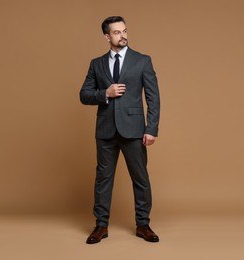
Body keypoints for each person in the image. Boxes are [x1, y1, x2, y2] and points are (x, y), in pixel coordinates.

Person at [80, 16, 160, 244]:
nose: (123, 35)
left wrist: (151, 128)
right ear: (107, 36)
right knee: (103, 179)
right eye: (117, 32)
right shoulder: (96, 64)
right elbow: (84, 95)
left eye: (124, 30)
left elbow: (153, 98)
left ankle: (143, 224)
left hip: (134, 130)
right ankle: (100, 226)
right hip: (105, 131)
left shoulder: (142, 61)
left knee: (140, 178)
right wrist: (105, 93)